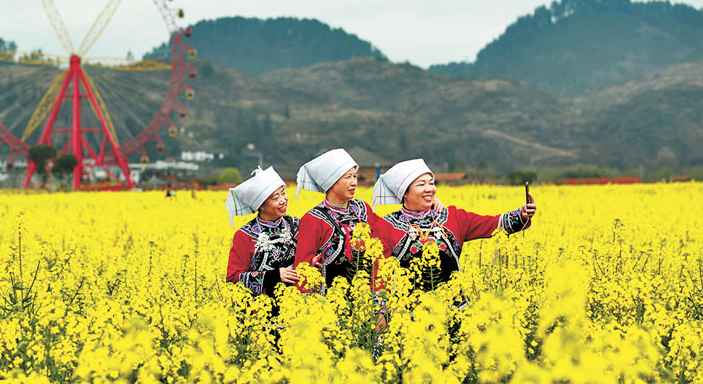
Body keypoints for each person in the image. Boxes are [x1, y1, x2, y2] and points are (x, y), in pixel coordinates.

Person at [372, 158, 537, 292]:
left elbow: (493, 224)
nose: (429, 189)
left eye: (431, 183)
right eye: (421, 185)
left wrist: (521, 214)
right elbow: (379, 273)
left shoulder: (452, 217)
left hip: (452, 311)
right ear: (404, 193)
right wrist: (381, 312)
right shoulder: (386, 226)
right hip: (406, 318)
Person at [293, 148, 398, 289]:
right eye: (348, 177)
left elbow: (389, 232)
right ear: (331, 182)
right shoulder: (313, 219)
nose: (354, 182)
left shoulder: (362, 208)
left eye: (355, 176)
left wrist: (429, 208)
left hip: (366, 298)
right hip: (330, 301)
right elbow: (302, 269)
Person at [225, 167, 300, 297]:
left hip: (297, 302)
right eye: (276, 198)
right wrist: (273, 276)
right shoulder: (245, 236)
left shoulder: (296, 225)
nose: (283, 200)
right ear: (261, 206)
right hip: (262, 309)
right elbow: (233, 278)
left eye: (283, 193)